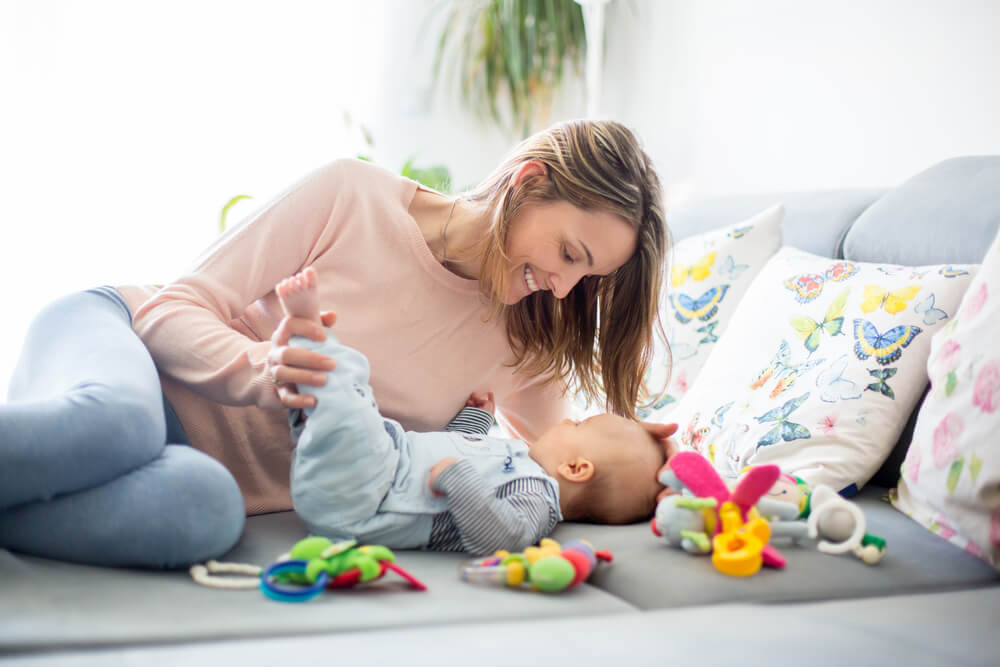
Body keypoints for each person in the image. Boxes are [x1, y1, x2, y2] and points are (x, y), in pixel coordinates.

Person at [0, 120, 672, 568]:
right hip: (118, 348)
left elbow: (566, 468)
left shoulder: (525, 340)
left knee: (206, 510)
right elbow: (175, 306)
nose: (562, 287)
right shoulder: (352, 195)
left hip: (190, 467)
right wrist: (262, 368)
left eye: (587, 275)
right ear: (528, 182)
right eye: (568, 252)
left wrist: (660, 469)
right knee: (116, 425)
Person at [278, 268, 670, 554]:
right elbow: (463, 447)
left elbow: (502, 537)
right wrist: (477, 420)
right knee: (354, 404)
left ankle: (311, 336)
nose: (568, 419)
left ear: (576, 468)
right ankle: (313, 388)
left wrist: (457, 477)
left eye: (580, 423)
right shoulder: (521, 462)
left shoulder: (538, 498)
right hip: (374, 472)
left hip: (368, 498)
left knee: (349, 401)